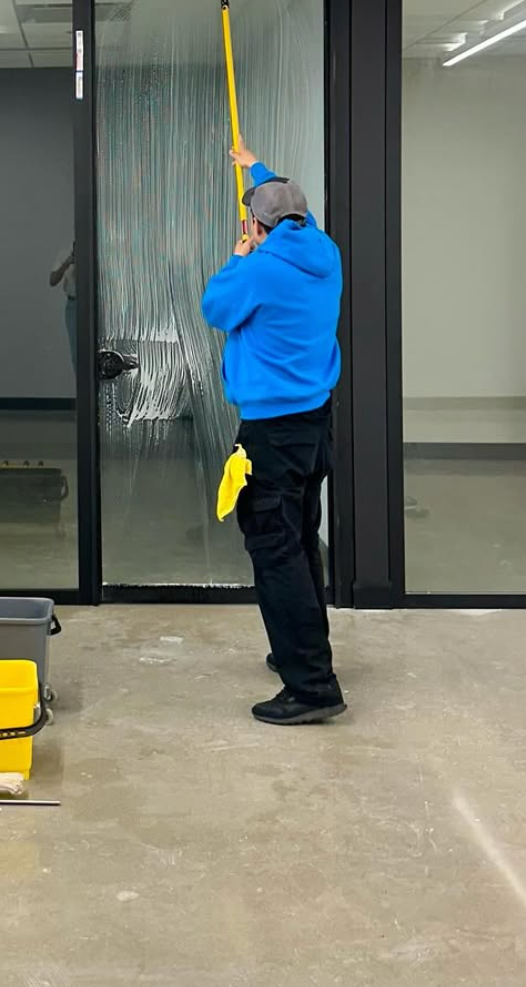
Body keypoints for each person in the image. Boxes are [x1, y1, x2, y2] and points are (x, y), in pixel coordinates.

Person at [201, 140, 345, 726]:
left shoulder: (259, 271)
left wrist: (239, 257)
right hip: (314, 425)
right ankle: (301, 649)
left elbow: (216, 308)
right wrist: (255, 168)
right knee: (300, 539)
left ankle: (311, 685)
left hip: (272, 431)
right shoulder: (325, 251)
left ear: (257, 228)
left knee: (274, 549)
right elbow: (288, 206)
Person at [50, 242, 77, 372]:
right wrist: (67, 263)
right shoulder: (65, 253)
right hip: (74, 305)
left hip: (96, 305)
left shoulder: (98, 250)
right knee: (76, 352)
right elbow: (52, 281)